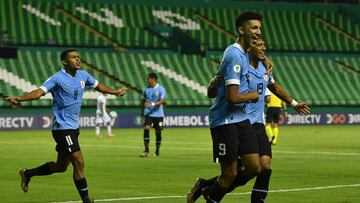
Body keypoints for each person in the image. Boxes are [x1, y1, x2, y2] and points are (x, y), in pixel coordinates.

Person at [187, 39, 310, 203]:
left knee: (264, 165)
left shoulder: (264, 67)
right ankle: (209, 188)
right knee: (233, 173)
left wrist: (293, 103)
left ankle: (245, 197)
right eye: (260, 45)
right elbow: (216, 91)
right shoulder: (237, 63)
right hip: (236, 123)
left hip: (257, 123)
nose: (264, 48)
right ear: (248, 47)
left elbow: (273, 86)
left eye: (264, 45)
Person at [6, 49, 127, 203]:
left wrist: (115, 92)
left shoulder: (83, 75)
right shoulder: (57, 78)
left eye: (78, 57)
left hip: (73, 128)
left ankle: (27, 173)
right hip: (62, 128)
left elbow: (99, 86)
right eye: (74, 57)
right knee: (79, 161)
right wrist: (20, 98)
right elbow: (39, 92)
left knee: (60, 167)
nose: (78, 59)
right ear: (64, 61)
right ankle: (86, 201)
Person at [139, 72, 166, 158]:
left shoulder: (161, 89)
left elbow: (162, 101)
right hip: (148, 114)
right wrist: (142, 111)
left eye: (148, 79)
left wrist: (152, 104)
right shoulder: (146, 89)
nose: (147, 80)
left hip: (158, 114)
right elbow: (143, 101)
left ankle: (157, 151)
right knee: (146, 128)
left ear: (153, 79)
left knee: (158, 132)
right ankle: (146, 151)